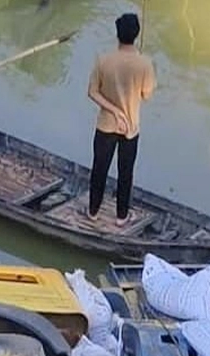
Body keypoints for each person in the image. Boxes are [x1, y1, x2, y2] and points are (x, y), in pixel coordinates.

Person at [86, 13, 156, 228]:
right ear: (136, 35)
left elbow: (92, 92)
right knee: (125, 172)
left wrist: (114, 110)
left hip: (106, 125)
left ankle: (93, 212)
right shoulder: (145, 63)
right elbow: (147, 95)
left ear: (117, 35)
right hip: (131, 128)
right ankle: (121, 216)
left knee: (99, 168)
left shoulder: (103, 60)